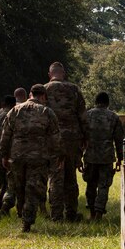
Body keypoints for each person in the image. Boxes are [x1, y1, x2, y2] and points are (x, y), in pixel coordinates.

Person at [1, 84, 61, 232]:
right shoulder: (47, 112)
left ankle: (22, 213)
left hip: (17, 156)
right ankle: (27, 222)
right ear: (43, 96)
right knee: (33, 189)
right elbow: (55, 138)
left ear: (30, 94)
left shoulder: (15, 110)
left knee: (19, 187)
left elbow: (6, 134)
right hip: (38, 158)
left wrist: (4, 155)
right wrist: (57, 156)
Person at [43, 62, 88, 222]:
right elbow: (83, 116)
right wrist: (85, 137)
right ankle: (71, 213)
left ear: (50, 74)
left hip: (52, 140)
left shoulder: (44, 90)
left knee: (55, 177)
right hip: (71, 140)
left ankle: (56, 215)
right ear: (64, 73)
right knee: (70, 177)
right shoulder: (74, 89)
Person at [83, 91, 124, 220]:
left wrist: (79, 156)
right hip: (106, 157)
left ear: (96, 102)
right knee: (103, 186)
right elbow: (119, 139)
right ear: (107, 103)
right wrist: (120, 159)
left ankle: (92, 212)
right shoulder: (114, 117)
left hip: (90, 155)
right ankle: (99, 212)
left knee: (91, 184)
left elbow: (81, 137)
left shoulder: (87, 116)